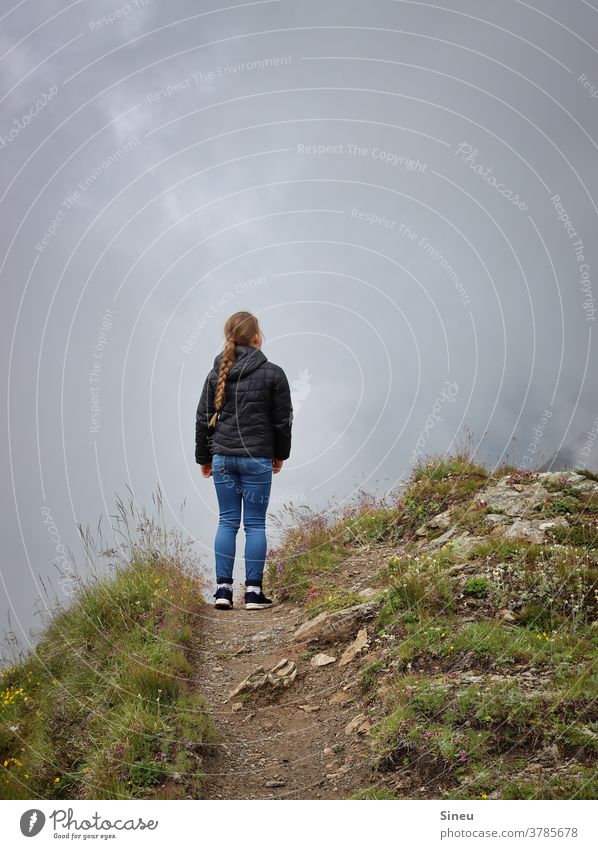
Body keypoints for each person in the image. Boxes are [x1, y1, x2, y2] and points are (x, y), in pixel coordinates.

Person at [195, 311, 293, 610]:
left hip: (223, 457)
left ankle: (222, 591)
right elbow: (283, 421)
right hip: (256, 459)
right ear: (256, 337)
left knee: (227, 521)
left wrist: (205, 457)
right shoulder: (274, 374)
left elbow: (202, 419)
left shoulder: (216, 374)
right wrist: (279, 454)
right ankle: (253, 593)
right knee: (254, 524)